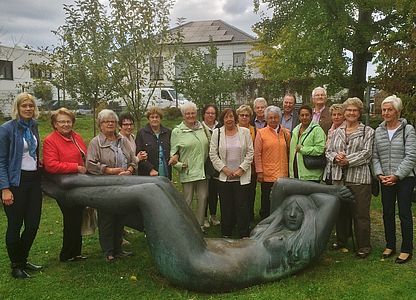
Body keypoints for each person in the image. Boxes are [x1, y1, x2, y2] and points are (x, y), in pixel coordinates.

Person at [43, 175, 353, 292]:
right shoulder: (274, 224)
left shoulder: (303, 247)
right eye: (291, 208)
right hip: (206, 248)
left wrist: (332, 190)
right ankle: (75, 182)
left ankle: (70, 193)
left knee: (149, 195)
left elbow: (329, 200)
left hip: (202, 266)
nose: (294, 211)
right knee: (160, 184)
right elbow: (284, 185)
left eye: (299, 211)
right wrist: (319, 190)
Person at [0, 92, 43, 279]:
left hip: (34, 181)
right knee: (15, 225)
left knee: (33, 224)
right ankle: (16, 265)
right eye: (24, 106)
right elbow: (1, 161)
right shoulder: (6, 129)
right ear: (17, 108)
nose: (28, 109)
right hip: (15, 182)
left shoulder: (33, 127)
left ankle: (23, 259)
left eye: (31, 106)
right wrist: (5, 188)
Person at [326, 97, 374, 258]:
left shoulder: (368, 131)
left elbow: (367, 154)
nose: (351, 113)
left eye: (354, 110)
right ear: (344, 112)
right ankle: (341, 240)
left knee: (360, 213)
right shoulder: (337, 131)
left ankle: (363, 246)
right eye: (348, 110)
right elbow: (328, 151)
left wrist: (348, 160)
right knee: (340, 211)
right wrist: (335, 157)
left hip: (359, 179)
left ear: (359, 112)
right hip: (339, 178)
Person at [86, 109, 137, 261]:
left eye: (113, 122)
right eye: (106, 121)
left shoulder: (122, 140)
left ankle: (118, 248)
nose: (110, 124)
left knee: (120, 217)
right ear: (100, 125)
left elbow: (133, 159)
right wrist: (108, 170)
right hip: (105, 186)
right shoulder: (96, 143)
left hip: (123, 184)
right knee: (107, 219)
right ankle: (108, 251)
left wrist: (129, 170)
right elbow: (90, 164)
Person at [373, 95, 416, 263]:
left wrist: (397, 175)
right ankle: (390, 244)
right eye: (384, 110)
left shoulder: (408, 130)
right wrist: (379, 174)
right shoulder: (378, 131)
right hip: (385, 179)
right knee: (387, 212)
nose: (386, 112)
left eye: (389, 109)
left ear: (397, 111)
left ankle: (406, 248)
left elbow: (411, 155)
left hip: (405, 178)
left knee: (404, 212)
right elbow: (374, 156)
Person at [43, 107, 88, 262]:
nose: (66, 124)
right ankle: (67, 254)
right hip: (63, 186)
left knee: (78, 217)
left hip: (79, 182)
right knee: (71, 218)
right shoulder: (50, 140)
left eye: (68, 121)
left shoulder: (77, 137)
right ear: (55, 124)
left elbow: (83, 156)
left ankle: (76, 252)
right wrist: (75, 167)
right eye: (62, 122)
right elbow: (51, 165)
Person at [209, 108, 254, 238]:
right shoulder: (217, 133)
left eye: (231, 117)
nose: (229, 119)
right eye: (226, 117)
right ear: (223, 120)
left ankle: (244, 234)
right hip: (225, 177)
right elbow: (213, 154)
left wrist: (242, 169)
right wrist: (224, 169)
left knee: (242, 206)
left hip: (242, 176)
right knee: (226, 206)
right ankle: (226, 233)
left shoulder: (245, 132)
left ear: (235, 118)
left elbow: (250, 152)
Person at [169, 102, 209, 231]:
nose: (191, 116)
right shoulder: (177, 131)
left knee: (202, 198)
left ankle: (199, 225)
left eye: (193, 113)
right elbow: (173, 154)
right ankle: (185, 226)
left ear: (196, 114)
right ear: (183, 115)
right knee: (187, 200)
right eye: (188, 113)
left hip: (202, 170)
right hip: (188, 171)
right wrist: (181, 166)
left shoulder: (202, 128)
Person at [255, 106, 290, 219]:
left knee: (281, 201)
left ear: (279, 118)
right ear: (266, 119)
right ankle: (265, 222)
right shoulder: (261, 133)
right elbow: (257, 154)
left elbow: (289, 151)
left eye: (275, 117)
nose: (273, 120)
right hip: (267, 174)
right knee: (267, 201)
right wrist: (259, 171)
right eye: (270, 118)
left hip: (283, 174)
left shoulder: (286, 133)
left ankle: (279, 221)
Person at [289, 105, 326, 182]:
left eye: (307, 115)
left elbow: (320, 149)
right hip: (296, 173)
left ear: (311, 116)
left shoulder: (317, 130)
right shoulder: (295, 130)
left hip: (311, 175)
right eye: (302, 115)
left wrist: (303, 149)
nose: (304, 117)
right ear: (299, 117)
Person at [135, 107, 171, 179]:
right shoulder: (141, 133)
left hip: (165, 171)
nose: (155, 119)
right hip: (148, 174)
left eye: (157, 117)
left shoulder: (167, 132)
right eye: (152, 117)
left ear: (160, 118)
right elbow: (139, 154)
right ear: (148, 119)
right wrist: (150, 169)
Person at [201, 104, 220, 227]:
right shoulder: (199, 127)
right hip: (203, 162)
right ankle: (203, 216)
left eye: (212, 113)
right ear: (204, 114)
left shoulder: (220, 127)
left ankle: (213, 215)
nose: (210, 115)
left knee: (214, 191)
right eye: (208, 113)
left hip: (217, 162)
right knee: (204, 192)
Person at [236, 104, 256, 222]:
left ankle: (249, 216)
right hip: (236, 167)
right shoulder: (233, 129)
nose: (244, 117)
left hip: (251, 168)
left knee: (250, 193)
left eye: (247, 115)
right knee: (238, 195)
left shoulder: (254, 130)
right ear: (238, 117)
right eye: (242, 115)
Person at [324, 103, 346, 183]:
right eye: (334, 115)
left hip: (342, 169)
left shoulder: (346, 129)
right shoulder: (330, 131)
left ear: (344, 116)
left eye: (339, 114)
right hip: (330, 167)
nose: (336, 117)